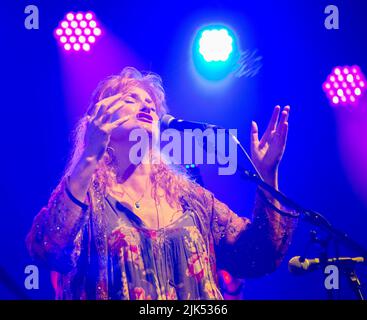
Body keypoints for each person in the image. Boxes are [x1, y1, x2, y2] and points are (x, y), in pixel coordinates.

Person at [26, 67, 296, 300]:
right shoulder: (86, 196)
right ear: (101, 114)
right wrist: (90, 153)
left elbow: (258, 255)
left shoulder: (190, 199)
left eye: (150, 103)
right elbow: (47, 246)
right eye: (131, 98)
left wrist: (267, 174)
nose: (147, 105)